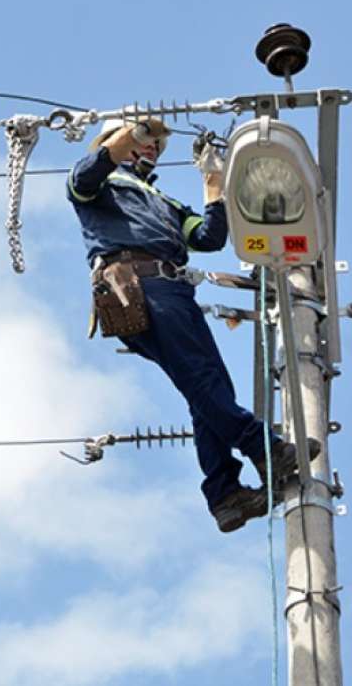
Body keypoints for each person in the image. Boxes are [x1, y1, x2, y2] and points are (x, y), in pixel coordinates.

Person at [67, 116, 316, 532]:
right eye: (144, 143)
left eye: (156, 146)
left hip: (171, 291)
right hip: (139, 283)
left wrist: (212, 179)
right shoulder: (98, 183)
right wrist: (136, 131)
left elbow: (207, 238)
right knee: (203, 380)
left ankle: (226, 494)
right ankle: (263, 448)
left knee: (207, 388)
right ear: (113, 142)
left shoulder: (163, 202)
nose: (150, 148)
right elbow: (92, 171)